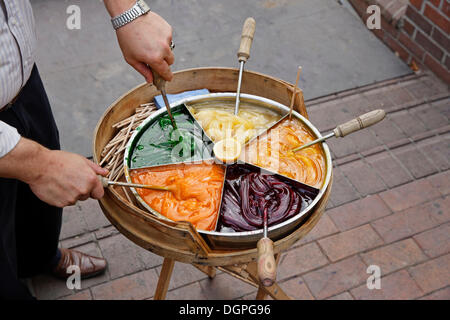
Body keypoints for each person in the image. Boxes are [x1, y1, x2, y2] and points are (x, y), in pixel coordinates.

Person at [0, 0, 174, 299]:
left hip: (21, 81)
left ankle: (39, 258)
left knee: (39, 207)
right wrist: (39, 166)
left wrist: (126, 12)